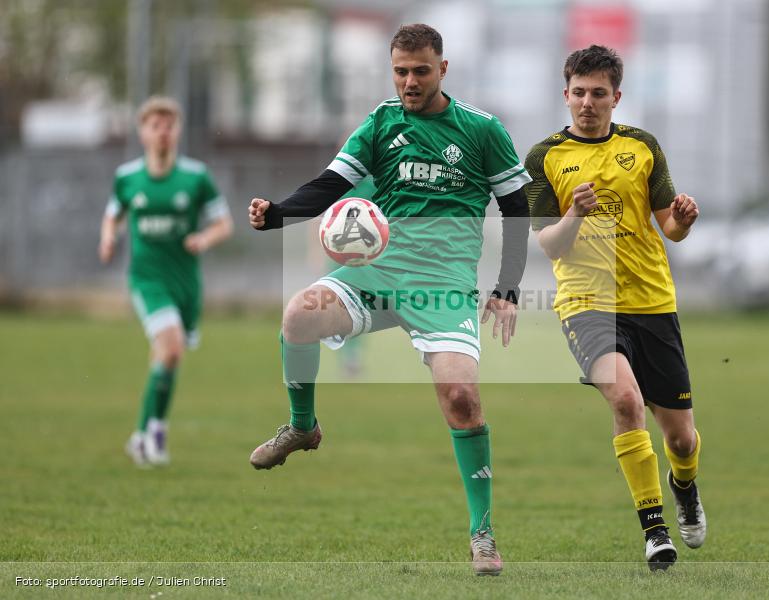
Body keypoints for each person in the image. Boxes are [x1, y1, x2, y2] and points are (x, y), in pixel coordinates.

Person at [246, 24, 530, 576]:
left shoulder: (482, 130)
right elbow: (330, 184)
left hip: (443, 286)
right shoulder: (380, 123)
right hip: (377, 274)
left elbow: (517, 208)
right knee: (298, 316)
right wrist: (278, 214)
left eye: (420, 70)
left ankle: (483, 533)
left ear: (442, 69)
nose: (409, 81)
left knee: (462, 399)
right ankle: (302, 427)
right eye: (400, 71)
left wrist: (509, 286)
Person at [524, 45, 706, 571]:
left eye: (597, 93)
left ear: (615, 97)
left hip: (651, 301)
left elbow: (667, 225)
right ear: (565, 95)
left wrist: (684, 220)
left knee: (681, 437)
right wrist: (576, 215)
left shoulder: (642, 147)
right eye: (578, 93)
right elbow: (550, 244)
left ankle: (685, 488)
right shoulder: (544, 158)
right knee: (626, 403)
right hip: (586, 304)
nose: (586, 102)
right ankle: (654, 532)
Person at [99, 96, 233, 467]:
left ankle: (142, 433)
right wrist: (108, 237)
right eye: (155, 125)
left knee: (167, 357)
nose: (162, 132)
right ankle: (154, 433)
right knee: (171, 349)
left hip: (186, 284)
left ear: (177, 132)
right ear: (142, 132)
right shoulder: (127, 178)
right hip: (147, 280)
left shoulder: (196, 177)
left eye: (169, 125)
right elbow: (112, 215)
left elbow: (224, 223)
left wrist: (203, 239)